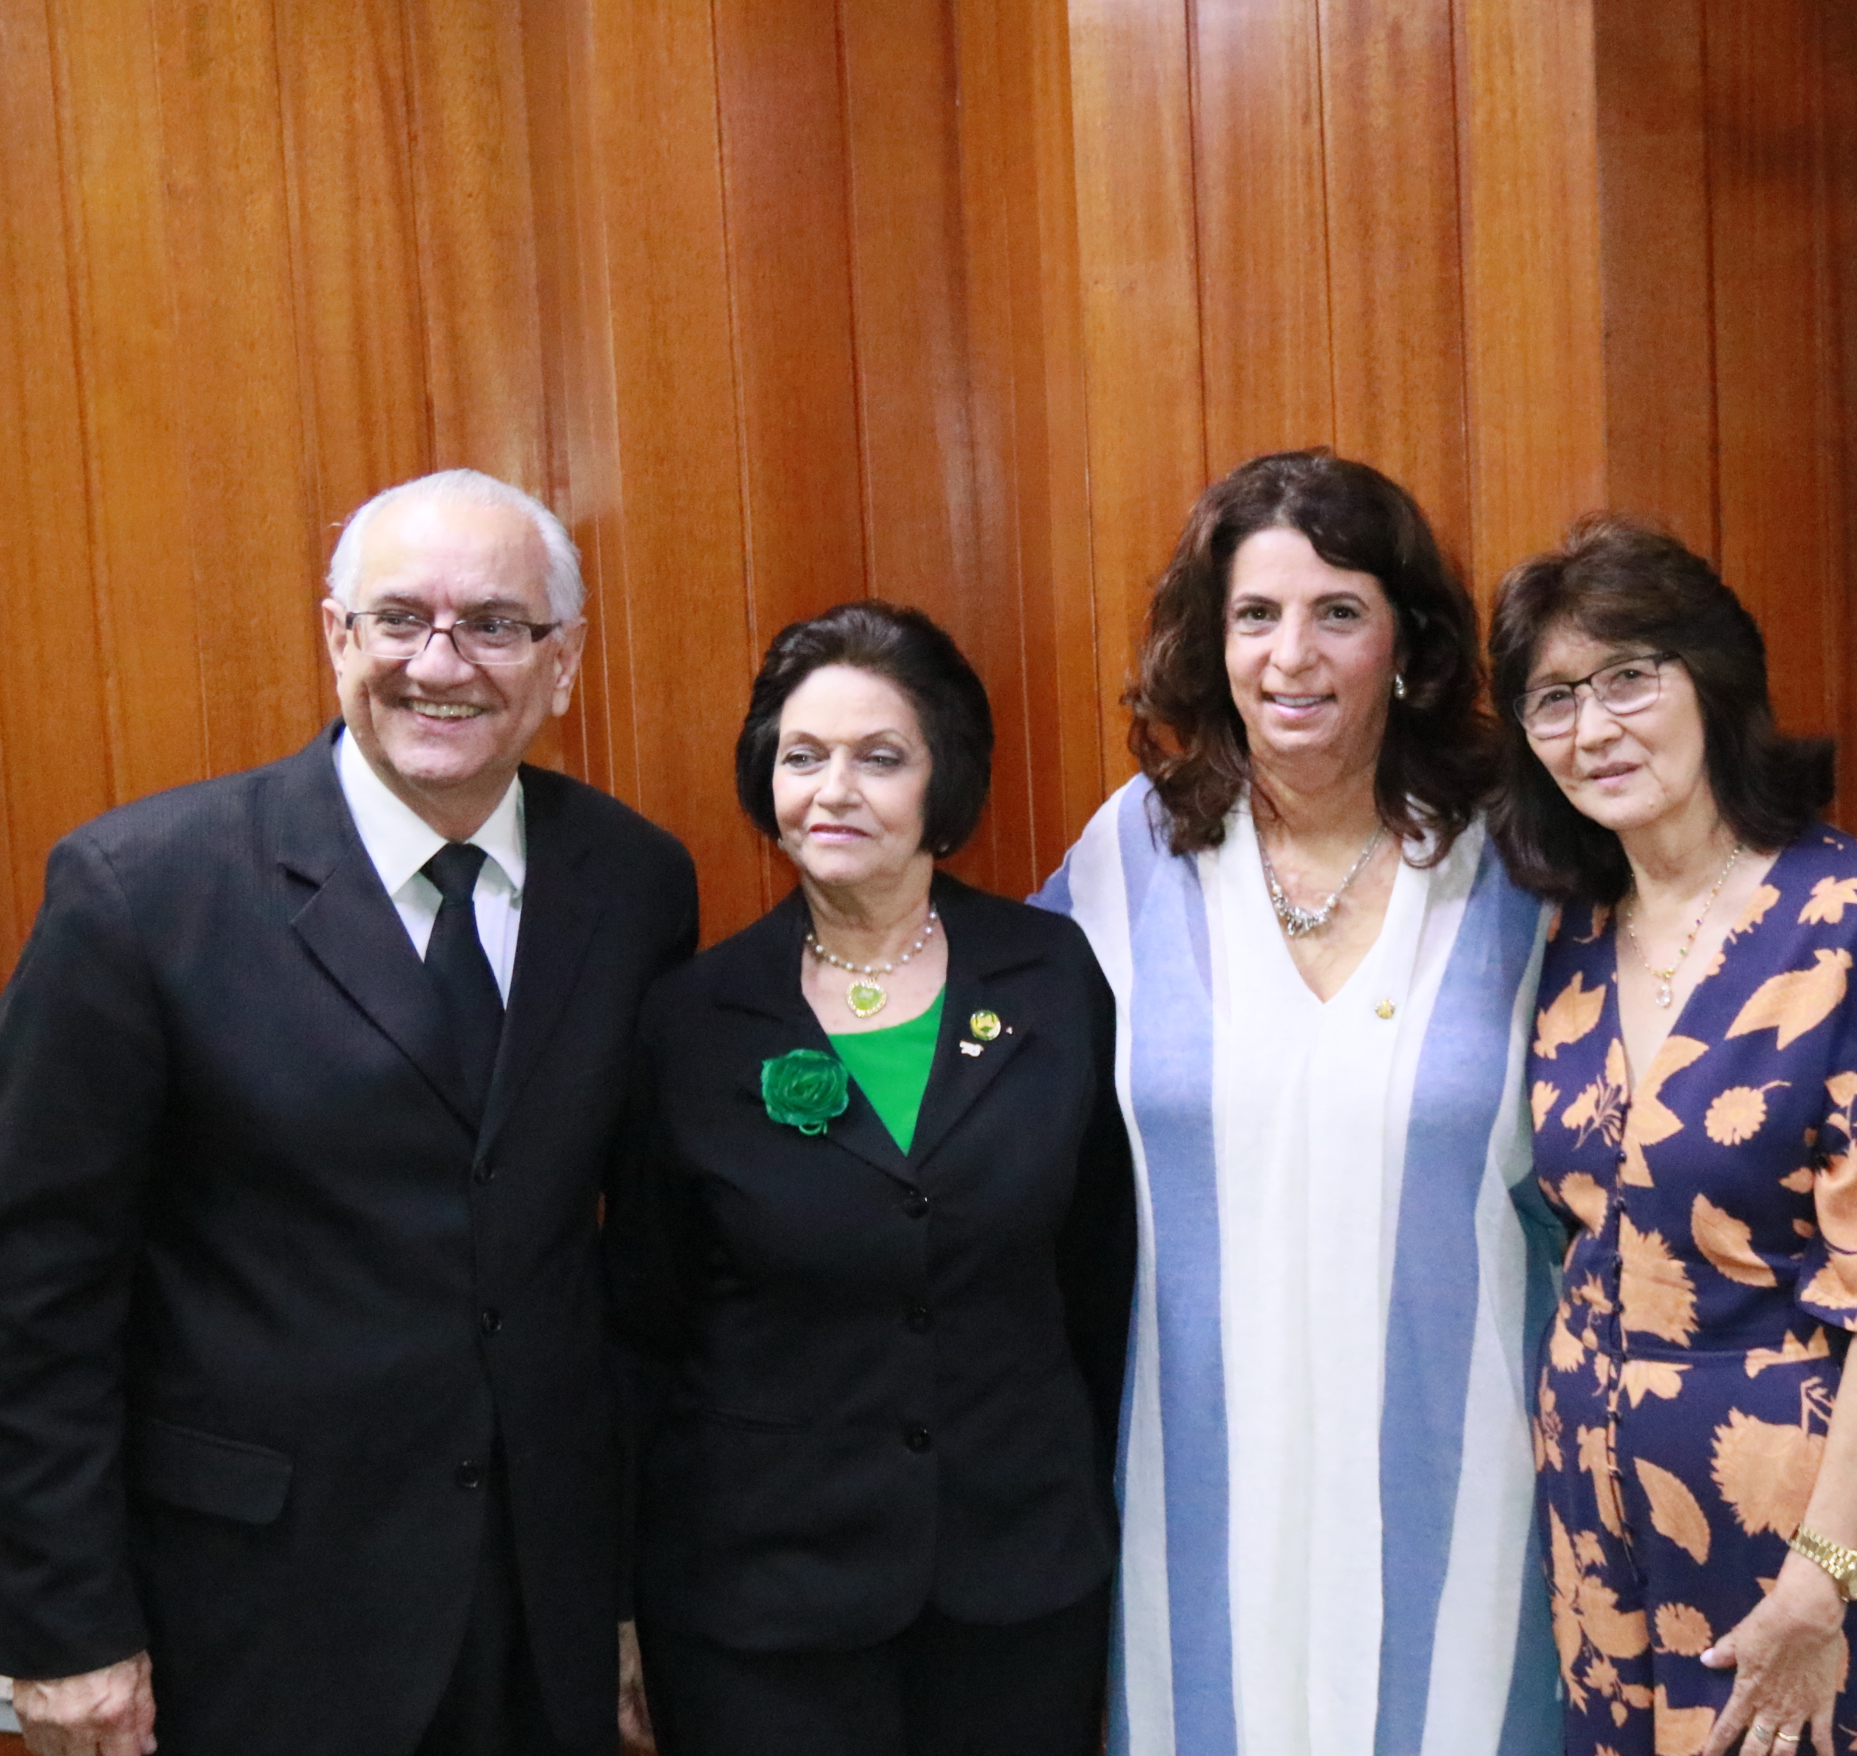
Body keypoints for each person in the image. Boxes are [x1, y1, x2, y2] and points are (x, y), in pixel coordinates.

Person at [0, 470, 700, 1756]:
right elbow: (35, 1287)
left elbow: (638, 1275)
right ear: (336, 636)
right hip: (257, 1616)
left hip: (542, 1611)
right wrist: (59, 1623)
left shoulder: (637, 884)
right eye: (400, 619)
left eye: (494, 624)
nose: (440, 664)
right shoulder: (141, 892)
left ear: (562, 663)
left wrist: (625, 1589)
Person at [1036, 450, 1558, 1756]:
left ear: (1408, 644)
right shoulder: (1127, 856)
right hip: (1193, 1489)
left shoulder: (1525, 860)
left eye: (1338, 613)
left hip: (1472, 1481)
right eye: (1256, 615)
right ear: (1211, 644)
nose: (1292, 656)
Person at [1489, 516, 1857, 1756]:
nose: (1592, 728)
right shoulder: (1574, 930)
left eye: (1627, 677)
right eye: (1554, 698)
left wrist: (1824, 1581)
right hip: (1596, 1521)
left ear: (1712, 679)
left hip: (1796, 1532)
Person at [609, 601, 1132, 1756]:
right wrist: (619, 1605)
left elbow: (1100, 1279)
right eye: (803, 756)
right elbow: (643, 1325)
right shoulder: (691, 1020)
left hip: (1019, 1583)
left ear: (945, 783)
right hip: (760, 1603)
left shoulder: (1052, 978)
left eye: (880, 757)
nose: (833, 791)